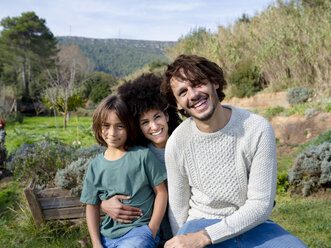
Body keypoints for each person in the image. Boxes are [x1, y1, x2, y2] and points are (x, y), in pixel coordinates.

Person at [160, 54, 308, 248]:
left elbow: (261, 205)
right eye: (183, 92)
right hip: (198, 223)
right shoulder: (177, 143)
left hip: (250, 224)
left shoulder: (257, 128)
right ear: (178, 104)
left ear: (215, 83)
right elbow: (178, 209)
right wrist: (182, 239)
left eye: (198, 84)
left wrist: (206, 236)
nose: (193, 94)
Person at [100, 73, 182, 246]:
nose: (154, 127)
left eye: (157, 117)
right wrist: (104, 203)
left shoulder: (184, 145)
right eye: (144, 122)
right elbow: (106, 180)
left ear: (167, 115)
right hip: (152, 233)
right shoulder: (139, 155)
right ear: (137, 126)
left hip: (185, 226)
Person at [80, 94, 168, 248]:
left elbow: (161, 192)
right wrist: (96, 243)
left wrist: (152, 230)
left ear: (129, 128)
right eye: (106, 125)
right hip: (107, 236)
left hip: (139, 233)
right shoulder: (95, 166)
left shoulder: (142, 156)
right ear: (98, 127)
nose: (113, 133)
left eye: (120, 126)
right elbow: (91, 206)